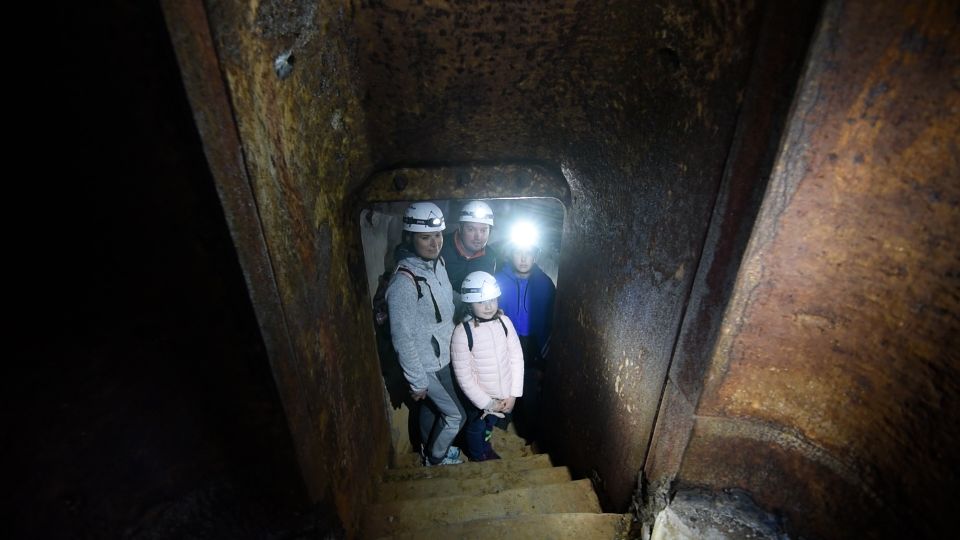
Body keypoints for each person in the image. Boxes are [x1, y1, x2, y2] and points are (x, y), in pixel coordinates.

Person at [385, 202, 465, 466]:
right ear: (410, 237)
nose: (435, 243)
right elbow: (401, 337)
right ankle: (435, 457)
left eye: (438, 235)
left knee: (434, 409)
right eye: (425, 237)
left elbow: (444, 300)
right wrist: (417, 380)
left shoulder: (436, 263)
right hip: (427, 364)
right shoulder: (404, 283)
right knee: (456, 416)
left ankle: (426, 447)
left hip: (444, 353)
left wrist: (467, 301)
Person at [450, 271, 524, 461]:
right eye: (481, 302)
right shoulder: (462, 333)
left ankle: (485, 446)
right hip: (479, 401)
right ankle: (478, 456)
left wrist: (513, 394)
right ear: (469, 303)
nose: (489, 306)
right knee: (476, 428)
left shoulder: (505, 323)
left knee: (489, 425)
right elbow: (464, 377)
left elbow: (516, 358)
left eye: (492, 300)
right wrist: (486, 403)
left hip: (503, 396)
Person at [495, 226, 556, 444]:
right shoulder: (497, 281)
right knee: (503, 388)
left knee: (529, 392)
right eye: (518, 252)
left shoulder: (545, 283)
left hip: (533, 346)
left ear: (536, 255)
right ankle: (497, 433)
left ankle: (529, 436)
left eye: (529, 252)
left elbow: (552, 318)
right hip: (506, 344)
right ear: (510, 253)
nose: (523, 258)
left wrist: (546, 352)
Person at [440, 200, 499, 311]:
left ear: (490, 231)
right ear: (460, 228)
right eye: (471, 229)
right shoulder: (440, 249)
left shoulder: (491, 257)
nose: (478, 236)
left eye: (483, 230)